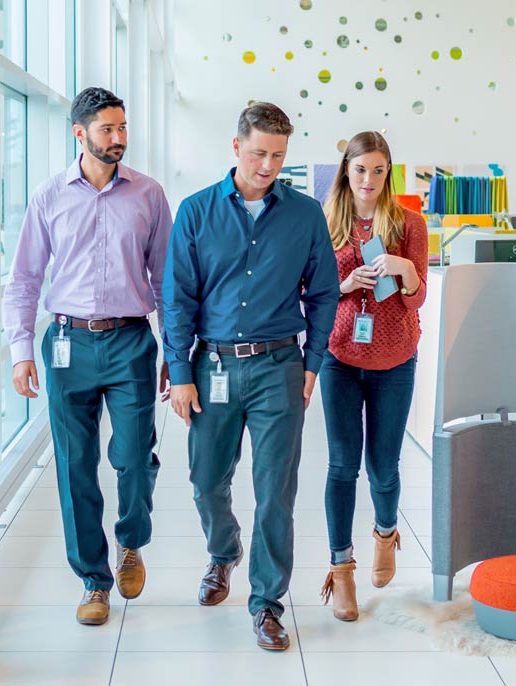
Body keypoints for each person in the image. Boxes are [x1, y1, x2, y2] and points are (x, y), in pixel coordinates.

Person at [162, 102, 340, 651]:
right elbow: (178, 298)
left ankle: (266, 602)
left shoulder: (306, 214)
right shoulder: (195, 212)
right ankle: (223, 553)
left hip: (279, 367)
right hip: (210, 366)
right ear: (235, 146)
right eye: (259, 153)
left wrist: (312, 367)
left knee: (275, 492)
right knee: (205, 482)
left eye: (279, 156)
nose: (268, 166)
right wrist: (180, 370)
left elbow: (325, 293)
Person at [3, 87, 172, 626]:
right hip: (67, 344)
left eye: (123, 128)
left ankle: (131, 541)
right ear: (80, 133)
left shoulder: (148, 195)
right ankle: (94, 581)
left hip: (130, 341)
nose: (119, 138)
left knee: (132, 456)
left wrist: (176, 351)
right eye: (107, 129)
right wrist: (20, 350)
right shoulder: (49, 195)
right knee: (76, 465)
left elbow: (166, 280)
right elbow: (25, 278)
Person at [315, 131, 428, 622]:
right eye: (360, 169)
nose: (369, 179)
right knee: (343, 466)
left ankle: (385, 532)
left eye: (379, 170)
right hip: (340, 358)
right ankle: (341, 569)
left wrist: (405, 269)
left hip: (395, 360)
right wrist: (344, 283)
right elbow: (309, 292)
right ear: (346, 170)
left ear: (389, 173)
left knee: (384, 468)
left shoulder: (410, 224)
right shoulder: (323, 223)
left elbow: (417, 298)